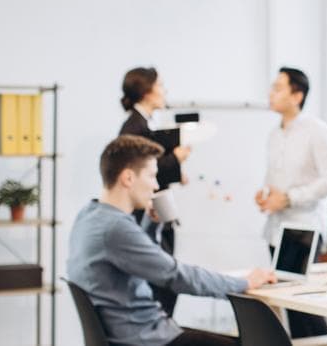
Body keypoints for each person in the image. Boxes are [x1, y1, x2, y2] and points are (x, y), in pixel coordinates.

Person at [67, 135, 275, 346]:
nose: (155, 185)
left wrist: (152, 223)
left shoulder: (90, 215)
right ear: (128, 178)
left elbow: (140, 260)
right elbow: (176, 275)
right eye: (151, 176)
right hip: (146, 338)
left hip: (132, 333)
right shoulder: (115, 228)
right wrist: (244, 283)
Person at [254, 67, 327, 338]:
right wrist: (266, 194)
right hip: (275, 230)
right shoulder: (275, 133)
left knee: (304, 309)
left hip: (302, 230)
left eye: (278, 88)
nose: (271, 93)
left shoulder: (317, 131)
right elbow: (275, 178)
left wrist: (290, 197)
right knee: (289, 307)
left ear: (297, 95)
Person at [119, 66, 191, 316]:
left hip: (158, 210)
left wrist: (176, 170)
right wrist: (175, 158)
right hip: (146, 216)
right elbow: (135, 172)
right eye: (160, 86)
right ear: (146, 91)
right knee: (162, 281)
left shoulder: (147, 123)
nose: (165, 91)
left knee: (167, 275)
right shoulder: (133, 127)